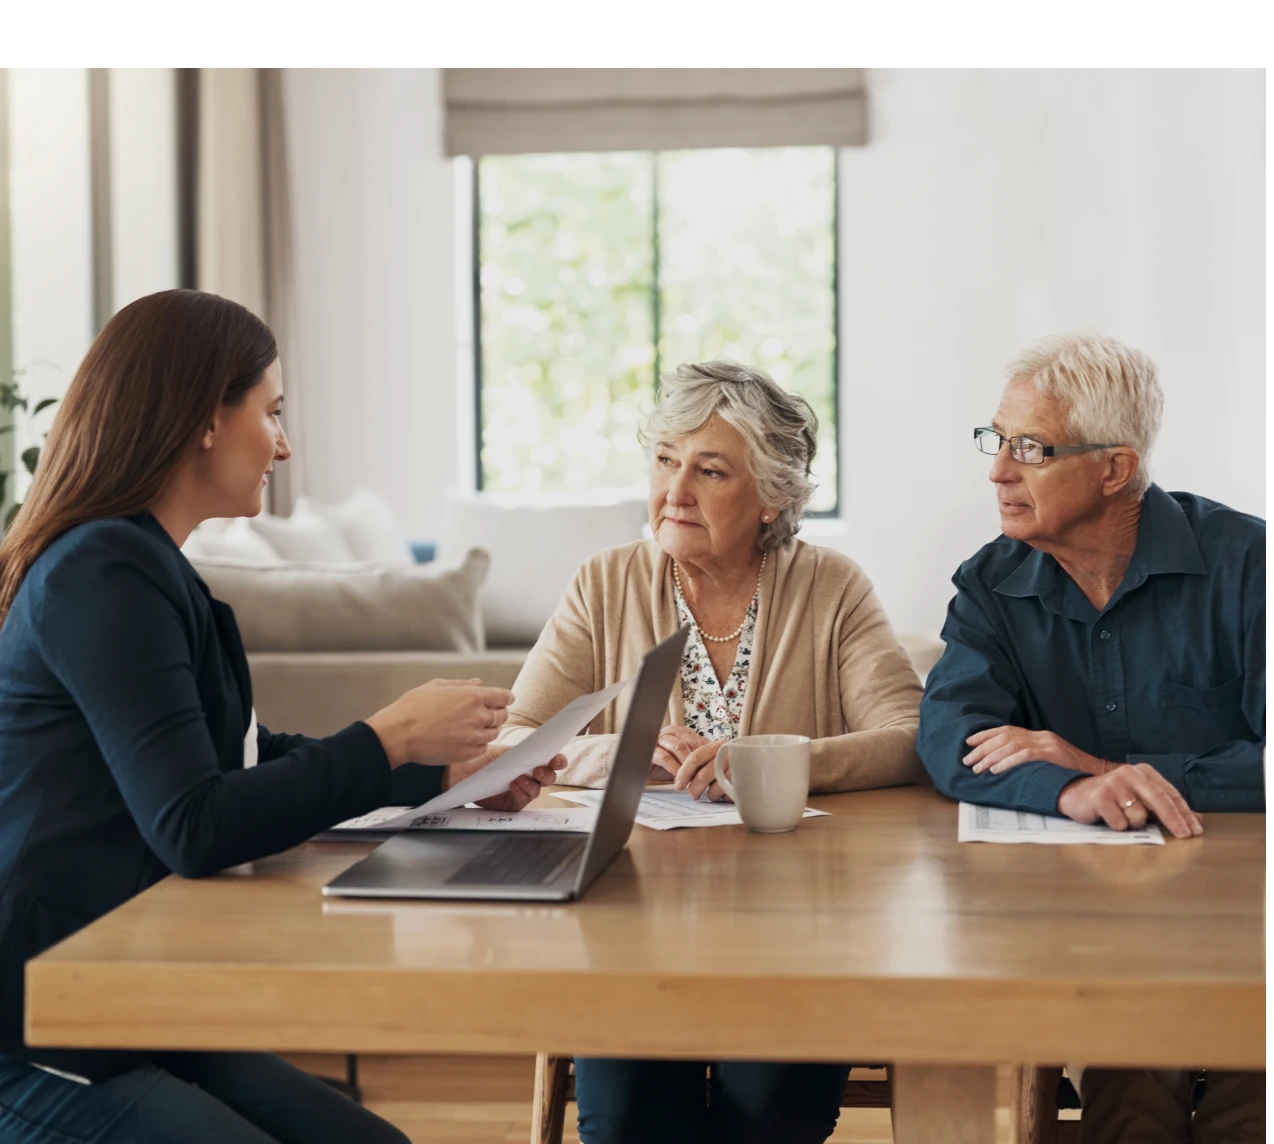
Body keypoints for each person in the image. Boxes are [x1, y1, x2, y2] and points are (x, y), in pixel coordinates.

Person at [0, 289, 565, 1144]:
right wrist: (388, 737)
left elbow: (243, 759)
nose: (286, 443)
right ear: (203, 419)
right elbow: (193, 822)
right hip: (39, 1016)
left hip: (124, 1000)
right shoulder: (102, 572)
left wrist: (441, 777)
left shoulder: (144, 566)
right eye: (271, 412)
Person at [496, 360, 924, 1144]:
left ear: (772, 500)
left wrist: (760, 762)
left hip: (798, 933)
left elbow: (908, 740)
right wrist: (622, 755)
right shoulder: (604, 583)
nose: (675, 490)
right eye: (665, 460)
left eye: (709, 470)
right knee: (627, 1126)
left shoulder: (832, 588)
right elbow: (516, 738)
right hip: (629, 928)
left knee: (768, 1119)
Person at [917, 332, 1265, 1144]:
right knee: (1129, 1104)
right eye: (995, 440)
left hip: (1257, 916)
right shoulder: (991, 583)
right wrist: (1071, 789)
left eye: (1031, 448)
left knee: (1250, 1112)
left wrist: (1112, 768)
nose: (999, 469)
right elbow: (949, 736)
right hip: (1097, 924)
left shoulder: (1257, 564)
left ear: (1114, 469)